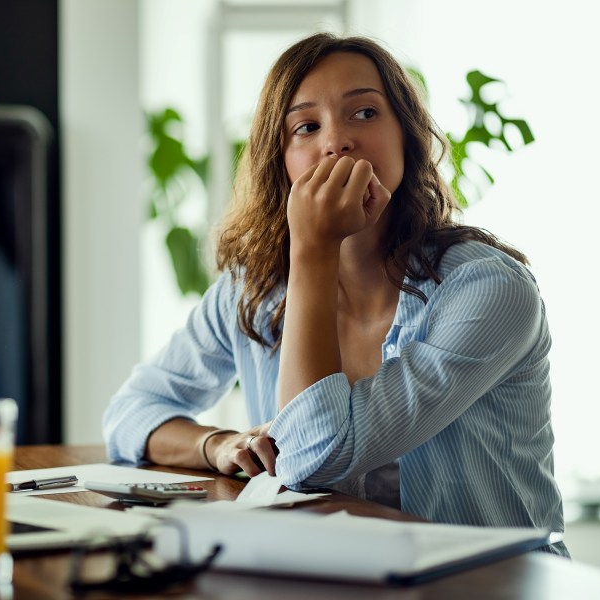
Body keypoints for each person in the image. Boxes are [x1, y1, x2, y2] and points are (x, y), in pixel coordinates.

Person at [103, 32, 567, 555]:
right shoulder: (252, 288)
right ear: (280, 162)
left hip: (490, 584)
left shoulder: (488, 290)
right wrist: (216, 445)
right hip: (337, 574)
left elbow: (313, 457)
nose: (337, 141)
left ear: (407, 137)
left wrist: (313, 250)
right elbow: (130, 414)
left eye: (364, 114)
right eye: (306, 126)